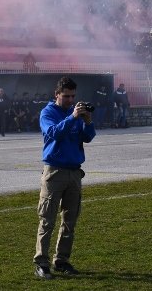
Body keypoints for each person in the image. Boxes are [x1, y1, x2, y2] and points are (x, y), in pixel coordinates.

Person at [34, 76, 96, 280]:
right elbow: (52, 133)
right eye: (66, 96)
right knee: (47, 219)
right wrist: (72, 118)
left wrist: (87, 122)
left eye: (73, 96)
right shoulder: (48, 112)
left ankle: (61, 260)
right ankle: (41, 262)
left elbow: (87, 137)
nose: (70, 100)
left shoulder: (75, 113)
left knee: (70, 220)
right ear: (57, 94)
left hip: (74, 172)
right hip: (55, 171)